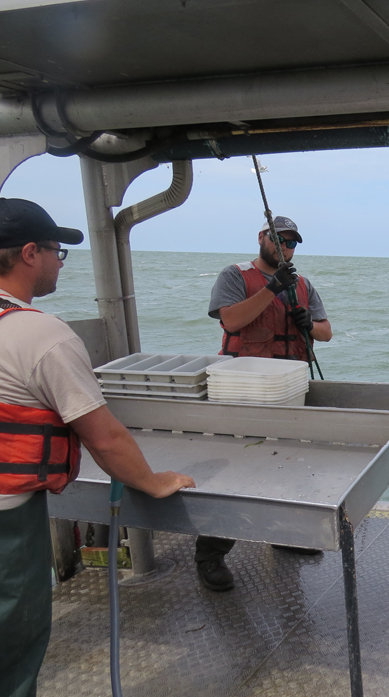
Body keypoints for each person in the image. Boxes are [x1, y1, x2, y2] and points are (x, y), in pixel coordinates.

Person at [0, 198, 196, 697]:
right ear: (29, 254)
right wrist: (153, 481)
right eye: (56, 251)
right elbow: (105, 437)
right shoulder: (39, 335)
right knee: (12, 658)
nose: (58, 262)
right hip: (7, 525)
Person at [196, 216, 332, 591]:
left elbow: (326, 331)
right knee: (235, 473)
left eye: (291, 243)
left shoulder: (303, 284)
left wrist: (309, 324)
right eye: (279, 239)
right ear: (262, 238)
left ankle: (282, 534)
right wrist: (272, 288)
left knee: (289, 466)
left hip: (291, 391)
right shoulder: (235, 275)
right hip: (245, 392)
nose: (285, 247)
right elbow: (231, 321)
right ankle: (210, 553)